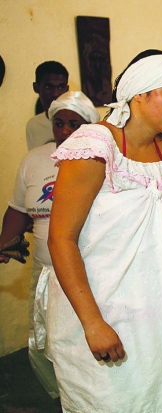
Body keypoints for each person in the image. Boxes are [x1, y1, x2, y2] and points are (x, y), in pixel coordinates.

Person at [45, 50, 162, 412]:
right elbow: (61, 239)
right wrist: (93, 323)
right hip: (104, 308)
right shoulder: (95, 146)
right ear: (139, 94)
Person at [0, 91, 100, 403]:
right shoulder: (35, 160)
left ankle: (93, 398)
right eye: (59, 123)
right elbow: (18, 209)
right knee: (47, 341)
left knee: (83, 340)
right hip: (44, 272)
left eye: (75, 124)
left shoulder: (98, 161)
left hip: (88, 272)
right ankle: (64, 399)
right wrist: (4, 243)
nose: (66, 131)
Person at [26, 61, 69, 150]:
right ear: (36, 87)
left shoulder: (80, 123)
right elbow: (34, 160)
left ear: (67, 89)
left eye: (61, 87)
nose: (55, 94)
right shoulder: (33, 125)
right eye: (48, 87)